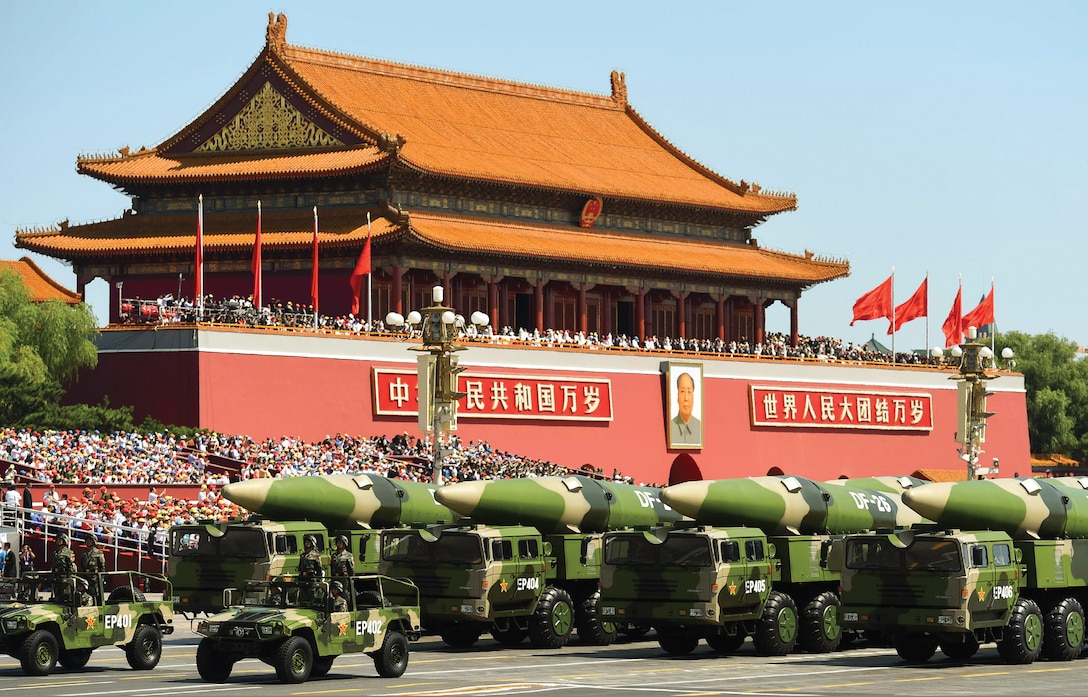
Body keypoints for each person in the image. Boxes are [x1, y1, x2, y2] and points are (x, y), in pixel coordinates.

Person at [670, 371, 702, 446]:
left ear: (693, 397)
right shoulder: (670, 428)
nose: (686, 398)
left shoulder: (700, 428)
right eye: (682, 391)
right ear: (677, 397)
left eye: (689, 392)